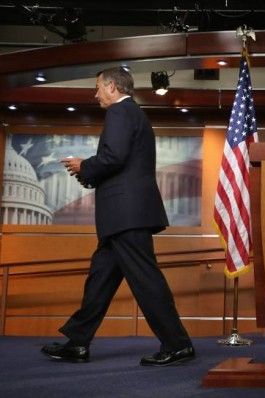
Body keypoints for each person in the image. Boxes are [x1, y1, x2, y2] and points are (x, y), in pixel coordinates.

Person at [41, 67, 194, 366]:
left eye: (98, 87)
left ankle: (178, 344)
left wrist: (83, 165)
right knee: (100, 279)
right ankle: (78, 343)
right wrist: (87, 173)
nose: (95, 93)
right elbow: (120, 163)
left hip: (127, 216)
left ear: (112, 86)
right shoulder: (131, 114)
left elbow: (113, 157)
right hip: (123, 217)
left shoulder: (120, 113)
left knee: (146, 280)